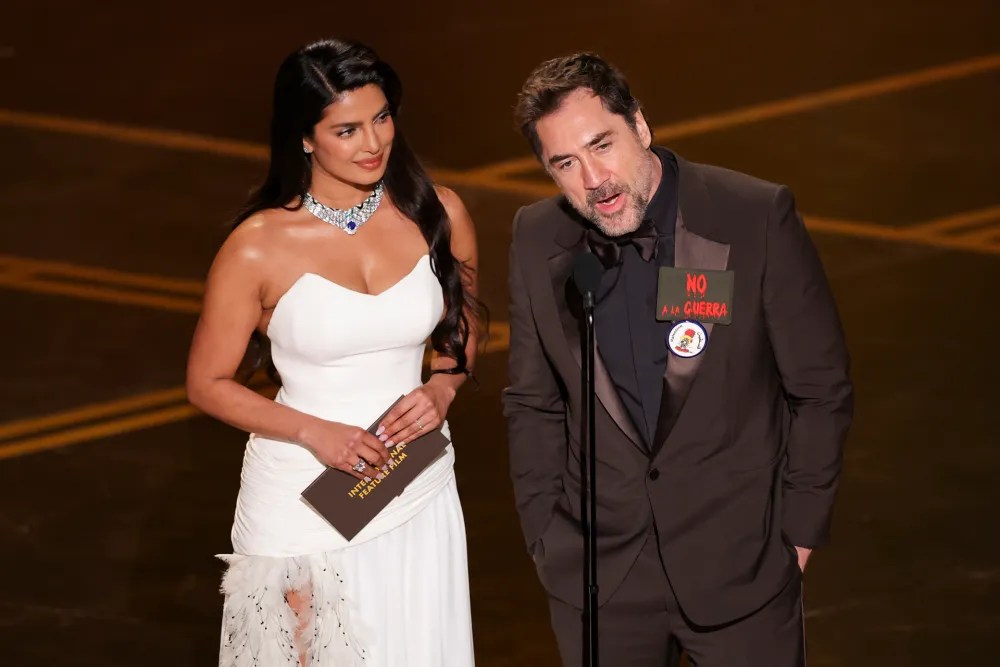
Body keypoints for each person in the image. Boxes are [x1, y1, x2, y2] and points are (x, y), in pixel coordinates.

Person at [503, 52, 853, 666]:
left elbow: (820, 388)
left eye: (602, 145)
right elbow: (533, 402)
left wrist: (798, 534)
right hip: (600, 581)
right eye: (566, 163)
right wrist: (545, 535)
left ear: (640, 125)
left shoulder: (752, 216)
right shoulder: (537, 237)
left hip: (742, 570)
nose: (594, 178)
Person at [185, 38, 482, 667]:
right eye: (346, 130)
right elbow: (207, 382)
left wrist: (443, 387)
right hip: (301, 496)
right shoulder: (256, 247)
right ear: (304, 138)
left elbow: (462, 327)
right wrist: (313, 431)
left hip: (415, 484)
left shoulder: (438, 213)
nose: (373, 143)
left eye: (382, 118)